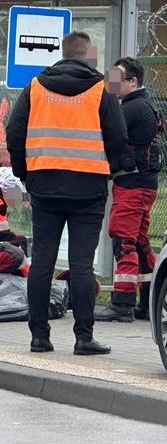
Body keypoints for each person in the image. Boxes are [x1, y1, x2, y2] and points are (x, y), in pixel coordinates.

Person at [6, 32, 127, 355]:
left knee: (43, 260)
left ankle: (39, 336)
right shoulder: (102, 89)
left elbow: (13, 131)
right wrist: (111, 170)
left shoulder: (36, 86)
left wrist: (24, 172)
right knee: (82, 264)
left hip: (44, 185)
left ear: (62, 53)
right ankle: (83, 338)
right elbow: (118, 136)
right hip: (88, 189)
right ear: (87, 55)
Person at [95, 57, 162, 322]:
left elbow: (108, 134)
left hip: (132, 184)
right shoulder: (142, 106)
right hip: (142, 183)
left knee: (123, 241)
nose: (111, 84)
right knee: (140, 242)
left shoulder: (132, 108)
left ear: (132, 81)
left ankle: (122, 303)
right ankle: (150, 301)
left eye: (116, 78)